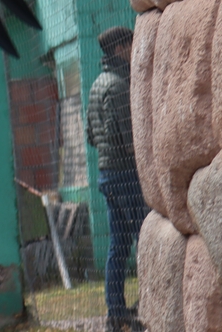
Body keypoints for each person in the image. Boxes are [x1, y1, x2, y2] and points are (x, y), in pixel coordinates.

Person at [86, 26, 148, 332]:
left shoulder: (97, 84)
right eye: (131, 44)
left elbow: (90, 136)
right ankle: (149, 304)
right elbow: (129, 140)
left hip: (106, 174)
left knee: (117, 247)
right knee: (145, 238)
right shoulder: (121, 85)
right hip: (126, 174)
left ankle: (116, 312)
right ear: (120, 48)